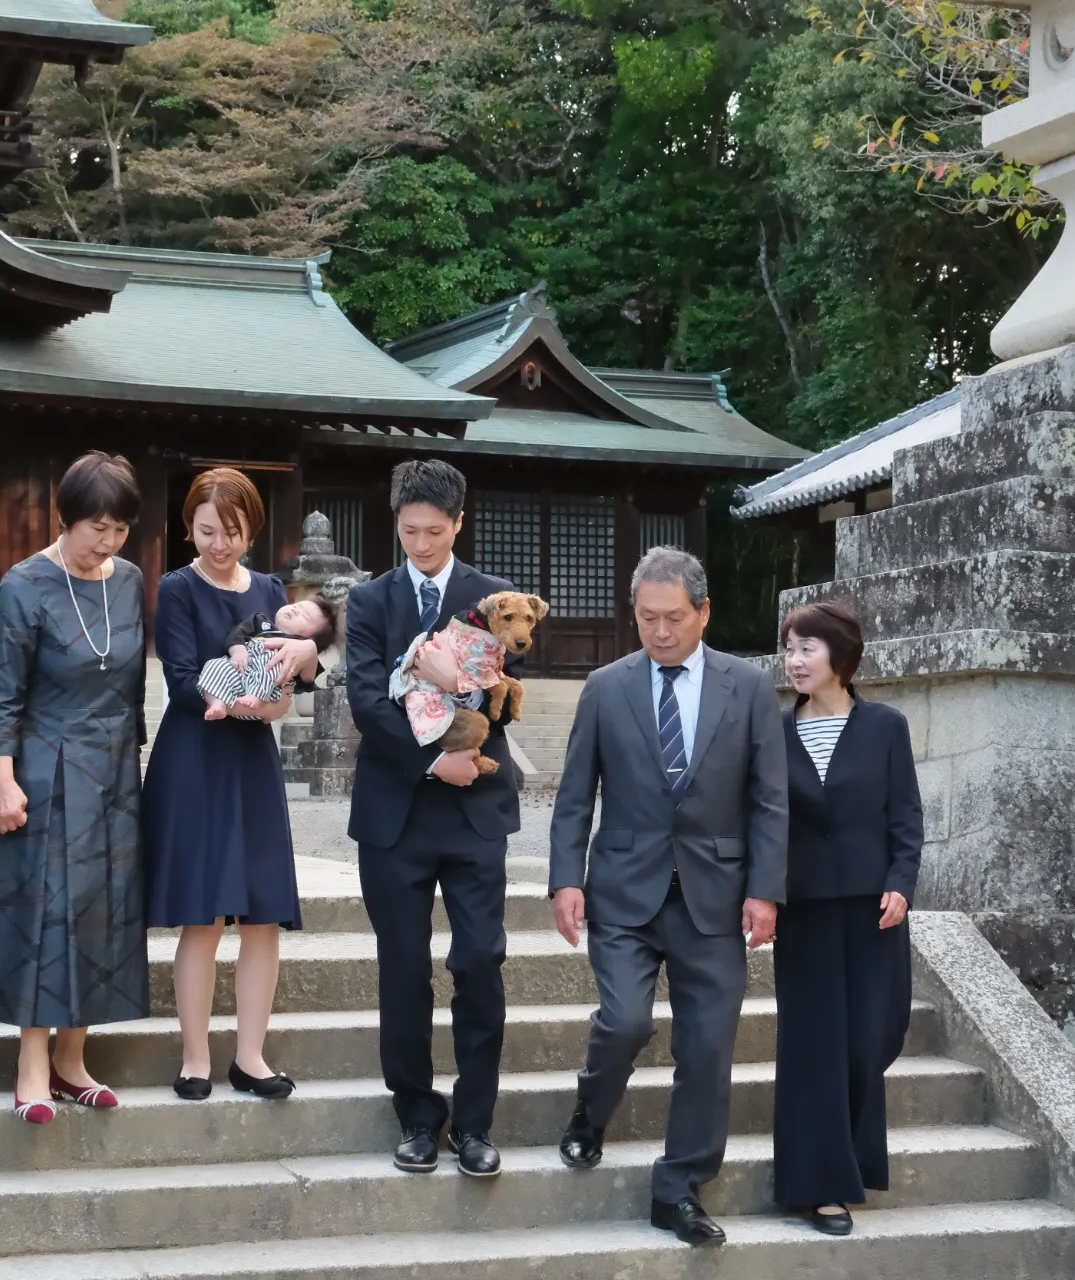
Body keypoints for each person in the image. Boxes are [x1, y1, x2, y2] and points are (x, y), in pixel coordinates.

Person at [547, 546, 788, 1246]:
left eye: (673, 618)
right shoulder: (605, 687)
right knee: (625, 1022)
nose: (659, 631)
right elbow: (572, 798)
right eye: (646, 618)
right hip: (623, 889)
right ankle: (590, 1115)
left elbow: (770, 801)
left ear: (703, 612)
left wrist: (766, 892)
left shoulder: (747, 688)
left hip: (716, 893)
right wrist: (565, 878)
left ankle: (678, 1190)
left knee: (709, 1048)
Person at [0, 451, 150, 1123]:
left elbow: (129, 683)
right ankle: (31, 1065)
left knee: (102, 911)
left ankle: (73, 1059)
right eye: (97, 526)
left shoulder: (127, 580)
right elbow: (1, 698)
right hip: (42, 764)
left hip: (115, 770)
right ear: (64, 518)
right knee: (47, 913)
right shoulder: (23, 585)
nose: (109, 541)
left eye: (120, 529)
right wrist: (0, 783)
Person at [343, 458, 520, 1178]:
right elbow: (363, 698)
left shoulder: (492, 596)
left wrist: (465, 690)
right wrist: (427, 761)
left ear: (459, 523)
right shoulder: (372, 600)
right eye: (408, 530)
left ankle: (474, 1122)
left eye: (434, 531)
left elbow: (511, 687)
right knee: (403, 970)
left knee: (479, 962)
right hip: (396, 812)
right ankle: (417, 1113)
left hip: (475, 811)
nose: (420, 544)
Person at [143, 467, 320, 1101]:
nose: (219, 543)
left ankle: (250, 1055)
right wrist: (258, 700)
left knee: (262, 915)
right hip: (196, 758)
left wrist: (282, 692)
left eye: (233, 530)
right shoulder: (177, 588)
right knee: (205, 915)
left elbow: (291, 670)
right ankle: (195, 1057)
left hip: (251, 761)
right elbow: (184, 681)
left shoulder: (271, 587)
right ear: (189, 526)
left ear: (252, 529)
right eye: (207, 529)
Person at [772, 599, 922, 1236]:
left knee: (870, 1039)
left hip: (873, 910)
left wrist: (900, 884)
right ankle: (822, 1186)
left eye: (807, 647)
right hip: (803, 912)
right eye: (789, 648)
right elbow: (762, 823)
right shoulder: (774, 731)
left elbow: (905, 818)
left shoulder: (885, 726)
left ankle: (853, 1157)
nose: (795, 660)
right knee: (815, 1049)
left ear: (841, 654)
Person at [200, 596, 340, 720]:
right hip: (236, 679)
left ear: (310, 638)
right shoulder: (260, 622)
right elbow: (238, 632)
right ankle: (216, 702)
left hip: (262, 699)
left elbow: (306, 679)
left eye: (305, 616)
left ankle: (255, 695)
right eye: (297, 605)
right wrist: (238, 649)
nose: (296, 610)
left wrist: (309, 650)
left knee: (273, 665)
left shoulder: (301, 649)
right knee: (215, 665)